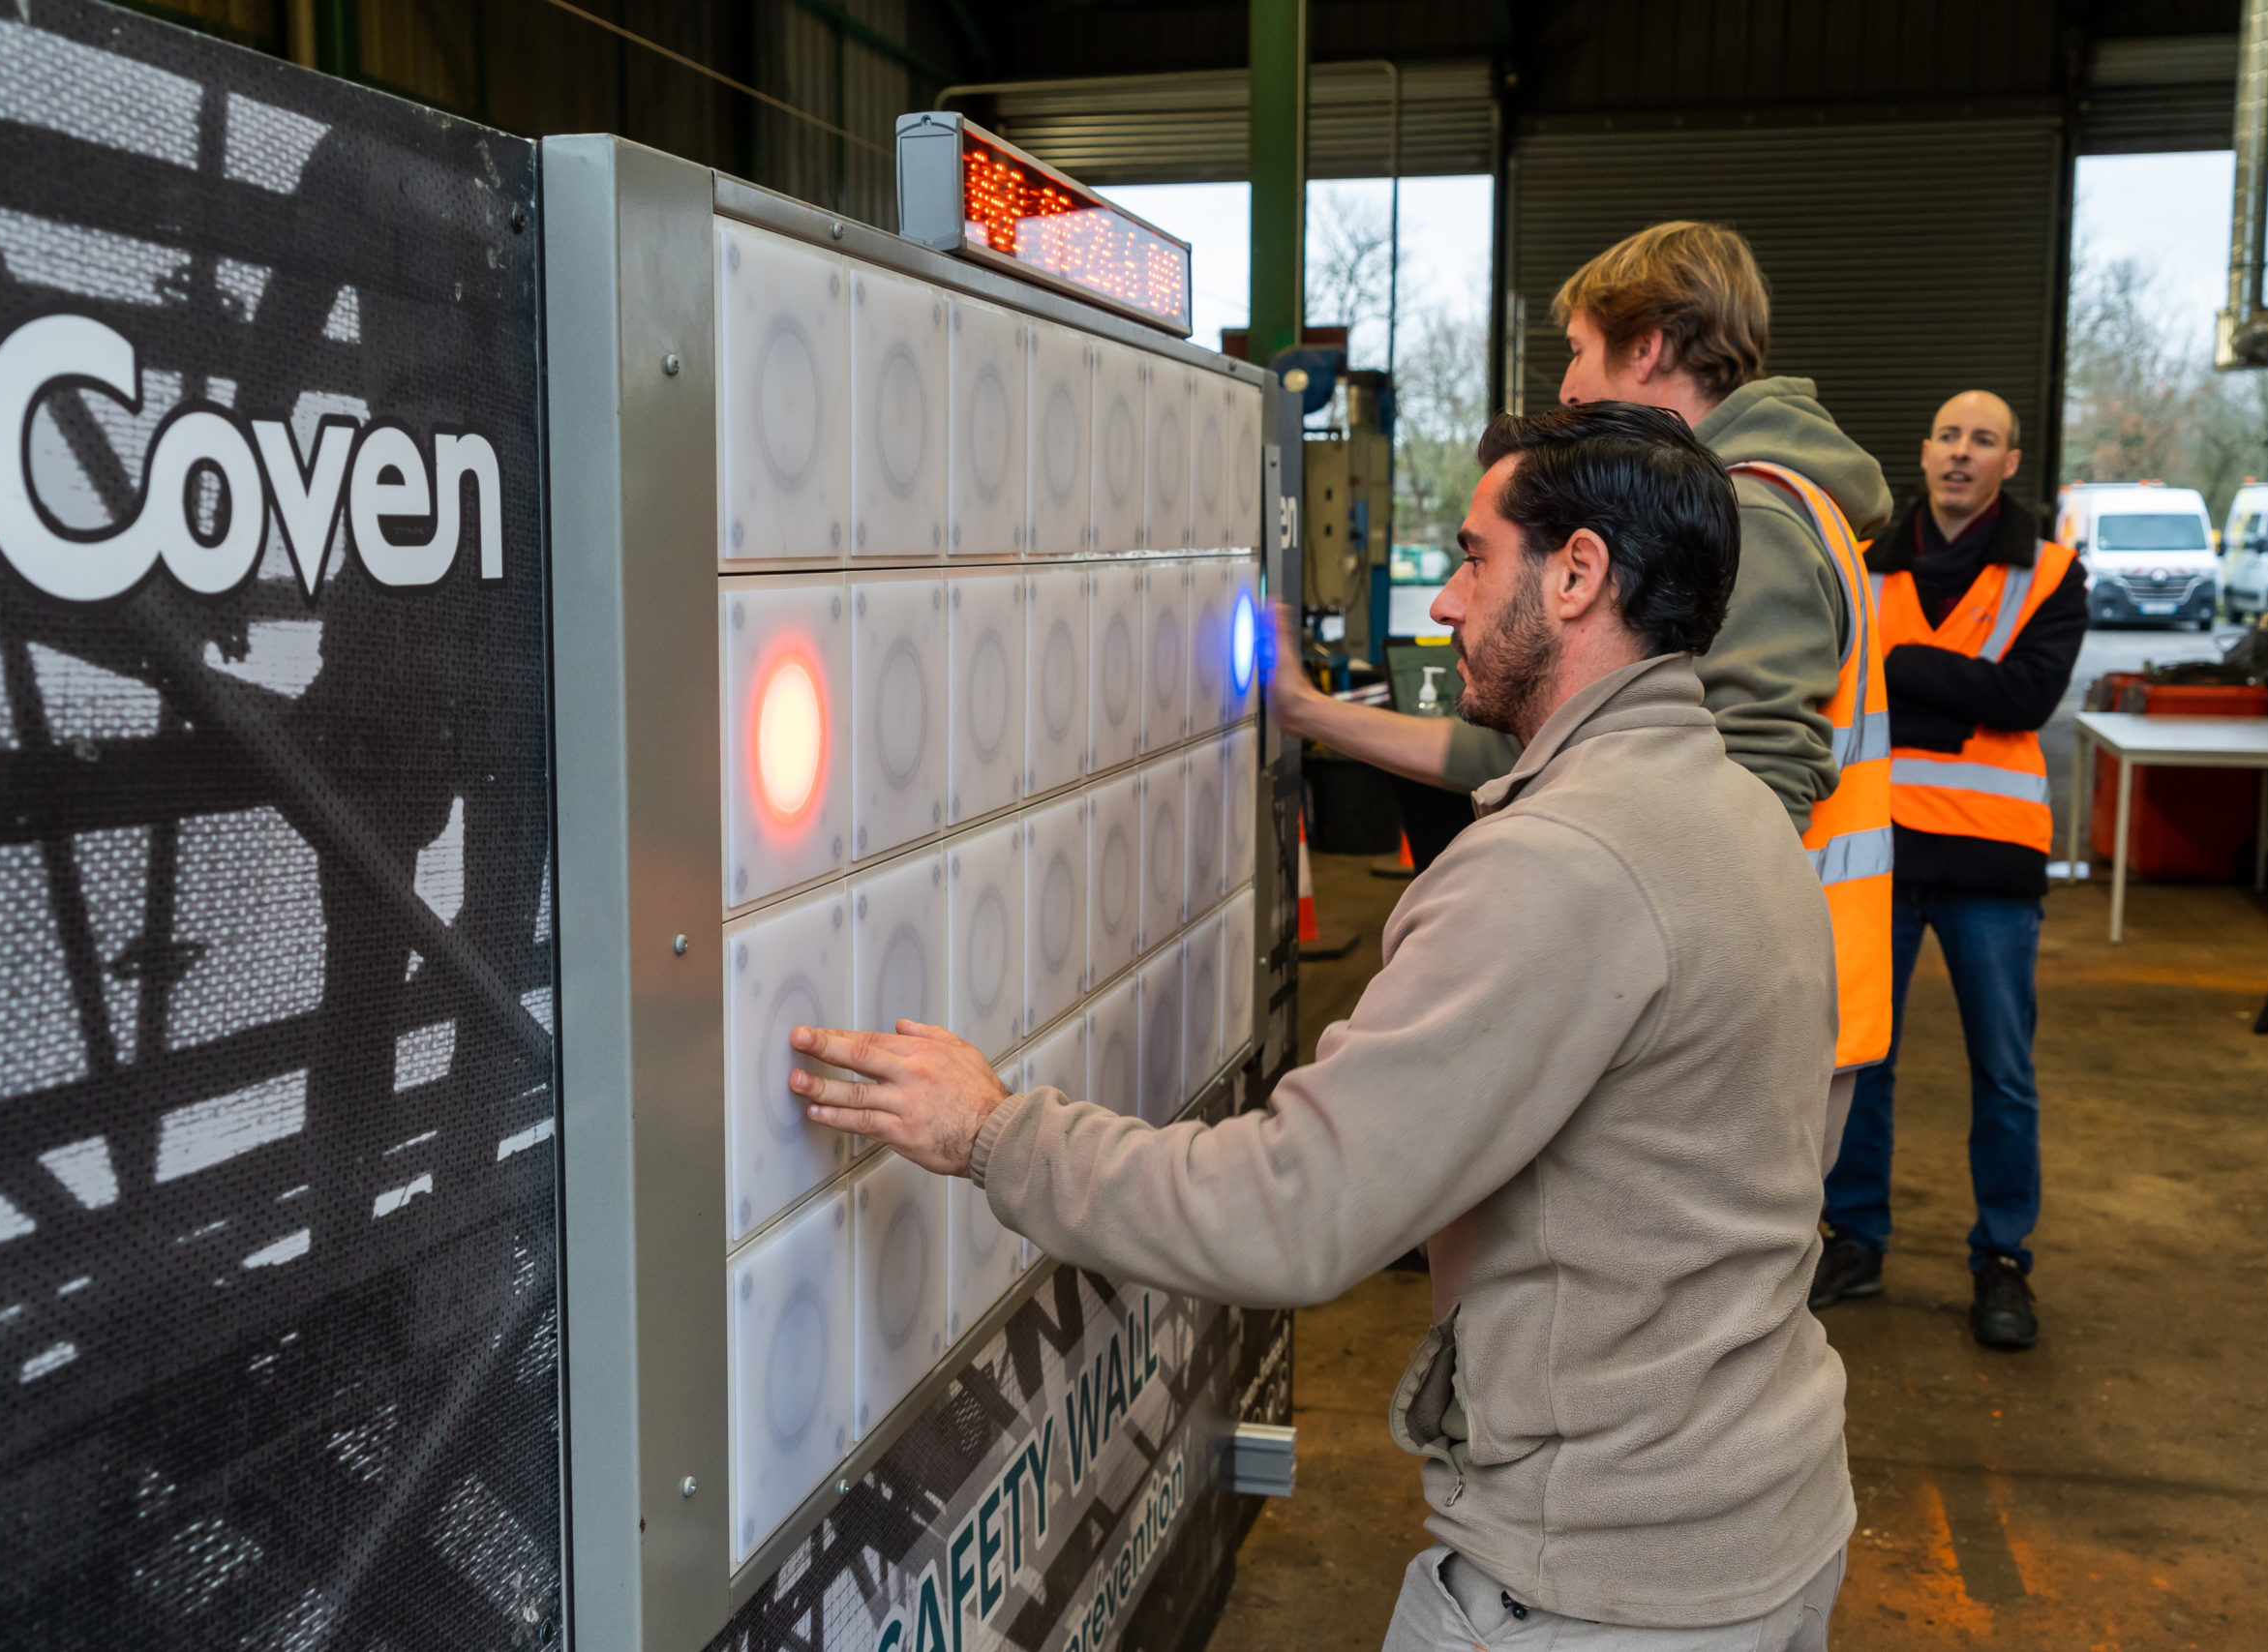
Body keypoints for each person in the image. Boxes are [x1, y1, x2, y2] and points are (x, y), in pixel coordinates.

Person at [793, 405, 1855, 1648]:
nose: (1446, 605)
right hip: (1762, 1525)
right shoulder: (1734, 812)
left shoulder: (1558, 869)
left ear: (1576, 576)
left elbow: (1297, 1212)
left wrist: (991, 1131)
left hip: (1602, 1589)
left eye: (1472, 558)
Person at [1273, 221, 1895, 1159]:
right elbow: (1554, 750)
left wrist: (1546, 907)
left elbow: (1755, 794)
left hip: (1720, 1012)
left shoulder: (1752, 513)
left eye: (1576, 352)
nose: (1564, 387)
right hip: (1742, 990)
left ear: (1645, 348)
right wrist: (1311, 714)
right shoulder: (1770, 501)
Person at [1807, 390, 2088, 1351]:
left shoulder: (2048, 574)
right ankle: (1854, 1239)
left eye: (1984, 441)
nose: (1961, 454)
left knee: (2001, 1072)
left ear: (2011, 463)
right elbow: (1837, 678)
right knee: (1862, 1062)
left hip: (1990, 864)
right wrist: (1950, 689)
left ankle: (2002, 1258)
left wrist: (1898, 670)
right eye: (1946, 436)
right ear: (1921, 451)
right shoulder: (1864, 560)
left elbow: (2023, 695)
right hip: (1880, 854)